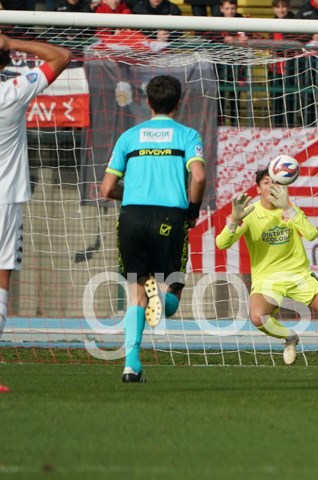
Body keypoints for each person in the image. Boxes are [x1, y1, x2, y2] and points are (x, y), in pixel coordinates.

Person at [216, 169, 318, 368]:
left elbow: (311, 234)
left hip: (300, 276)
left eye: (275, 182)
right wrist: (234, 221)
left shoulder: (290, 209)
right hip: (268, 279)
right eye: (266, 182)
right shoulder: (250, 214)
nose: (271, 186)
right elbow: (221, 244)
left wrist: (288, 208)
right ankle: (290, 336)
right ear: (258, 189)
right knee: (257, 318)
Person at [99, 75, 206, 384]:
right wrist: (193, 211)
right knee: (172, 288)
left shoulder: (129, 136)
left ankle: (131, 366)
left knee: (136, 293)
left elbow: (106, 188)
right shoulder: (187, 135)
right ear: (178, 103)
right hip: (170, 217)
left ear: (147, 102)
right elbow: (198, 177)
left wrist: (133, 192)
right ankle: (164, 299)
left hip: (132, 216)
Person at [0, 34, 71, 393]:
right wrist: (12, 40)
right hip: (4, 200)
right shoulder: (12, 91)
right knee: (1, 282)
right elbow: (61, 56)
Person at [268, 0, 299, 128]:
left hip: (290, 66)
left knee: (290, 101)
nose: (281, 10)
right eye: (277, 7)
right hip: (274, 67)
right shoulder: (270, 23)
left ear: (289, 7)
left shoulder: (295, 21)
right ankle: (277, 127)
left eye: (284, 6)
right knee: (276, 100)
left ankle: (290, 127)